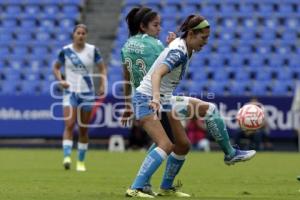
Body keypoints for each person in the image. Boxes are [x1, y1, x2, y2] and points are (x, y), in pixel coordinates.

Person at [126, 14, 257, 198]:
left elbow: (169, 53)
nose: (205, 42)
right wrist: (155, 98)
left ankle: (166, 187)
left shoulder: (185, 47)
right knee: (165, 144)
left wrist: (171, 43)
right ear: (191, 34)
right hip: (148, 99)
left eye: (208, 38)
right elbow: (157, 74)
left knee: (184, 143)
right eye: (203, 37)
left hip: (165, 100)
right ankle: (136, 187)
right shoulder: (179, 52)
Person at [120, 7, 178, 197]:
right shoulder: (154, 45)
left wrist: (127, 104)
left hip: (139, 98)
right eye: (155, 25)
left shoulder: (127, 45)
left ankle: (144, 184)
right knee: (166, 144)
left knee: (167, 141)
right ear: (143, 26)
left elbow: (126, 77)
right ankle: (137, 186)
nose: (159, 29)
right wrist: (171, 47)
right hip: (152, 98)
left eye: (159, 25)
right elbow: (166, 69)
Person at [52, 24, 107, 172]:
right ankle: (67, 157)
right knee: (69, 125)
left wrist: (102, 84)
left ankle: (81, 162)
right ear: (73, 34)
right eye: (78, 33)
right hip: (70, 92)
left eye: (83, 33)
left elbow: (102, 68)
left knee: (83, 129)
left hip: (87, 94)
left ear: (86, 35)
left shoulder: (93, 50)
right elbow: (56, 67)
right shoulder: (66, 51)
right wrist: (60, 80)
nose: (81, 35)